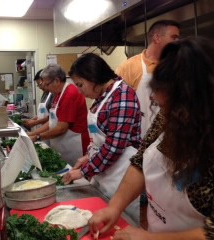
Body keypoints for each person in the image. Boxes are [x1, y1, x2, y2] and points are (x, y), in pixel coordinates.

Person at [88, 37, 214, 240]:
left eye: (168, 105)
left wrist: (148, 238)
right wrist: (115, 207)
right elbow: (140, 161)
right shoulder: (170, 116)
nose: (157, 104)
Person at [62, 53, 141, 224]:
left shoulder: (123, 96)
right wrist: (87, 157)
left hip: (121, 175)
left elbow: (114, 147)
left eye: (81, 85)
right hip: (104, 172)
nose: (81, 92)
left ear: (93, 77)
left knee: (122, 223)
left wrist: (84, 171)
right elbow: (99, 140)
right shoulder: (101, 98)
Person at [116, 19, 180, 138]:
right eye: (174, 37)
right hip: (140, 139)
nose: (177, 42)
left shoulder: (177, 65)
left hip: (171, 140)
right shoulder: (129, 67)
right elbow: (116, 106)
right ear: (156, 38)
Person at [28, 63, 90, 166]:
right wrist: (32, 134)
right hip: (63, 144)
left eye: (47, 84)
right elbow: (52, 122)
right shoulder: (58, 94)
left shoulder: (70, 94)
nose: (46, 88)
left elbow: (61, 128)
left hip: (75, 146)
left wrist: (38, 137)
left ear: (57, 80)